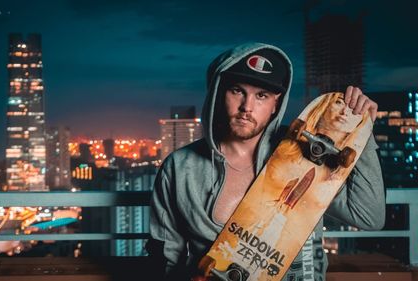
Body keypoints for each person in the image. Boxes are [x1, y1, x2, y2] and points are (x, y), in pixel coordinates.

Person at [147, 42, 385, 281]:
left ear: (276, 104)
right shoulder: (180, 168)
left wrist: (361, 131)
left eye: (261, 95)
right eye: (237, 91)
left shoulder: (306, 157)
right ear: (218, 93)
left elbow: (369, 217)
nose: (247, 107)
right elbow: (167, 257)